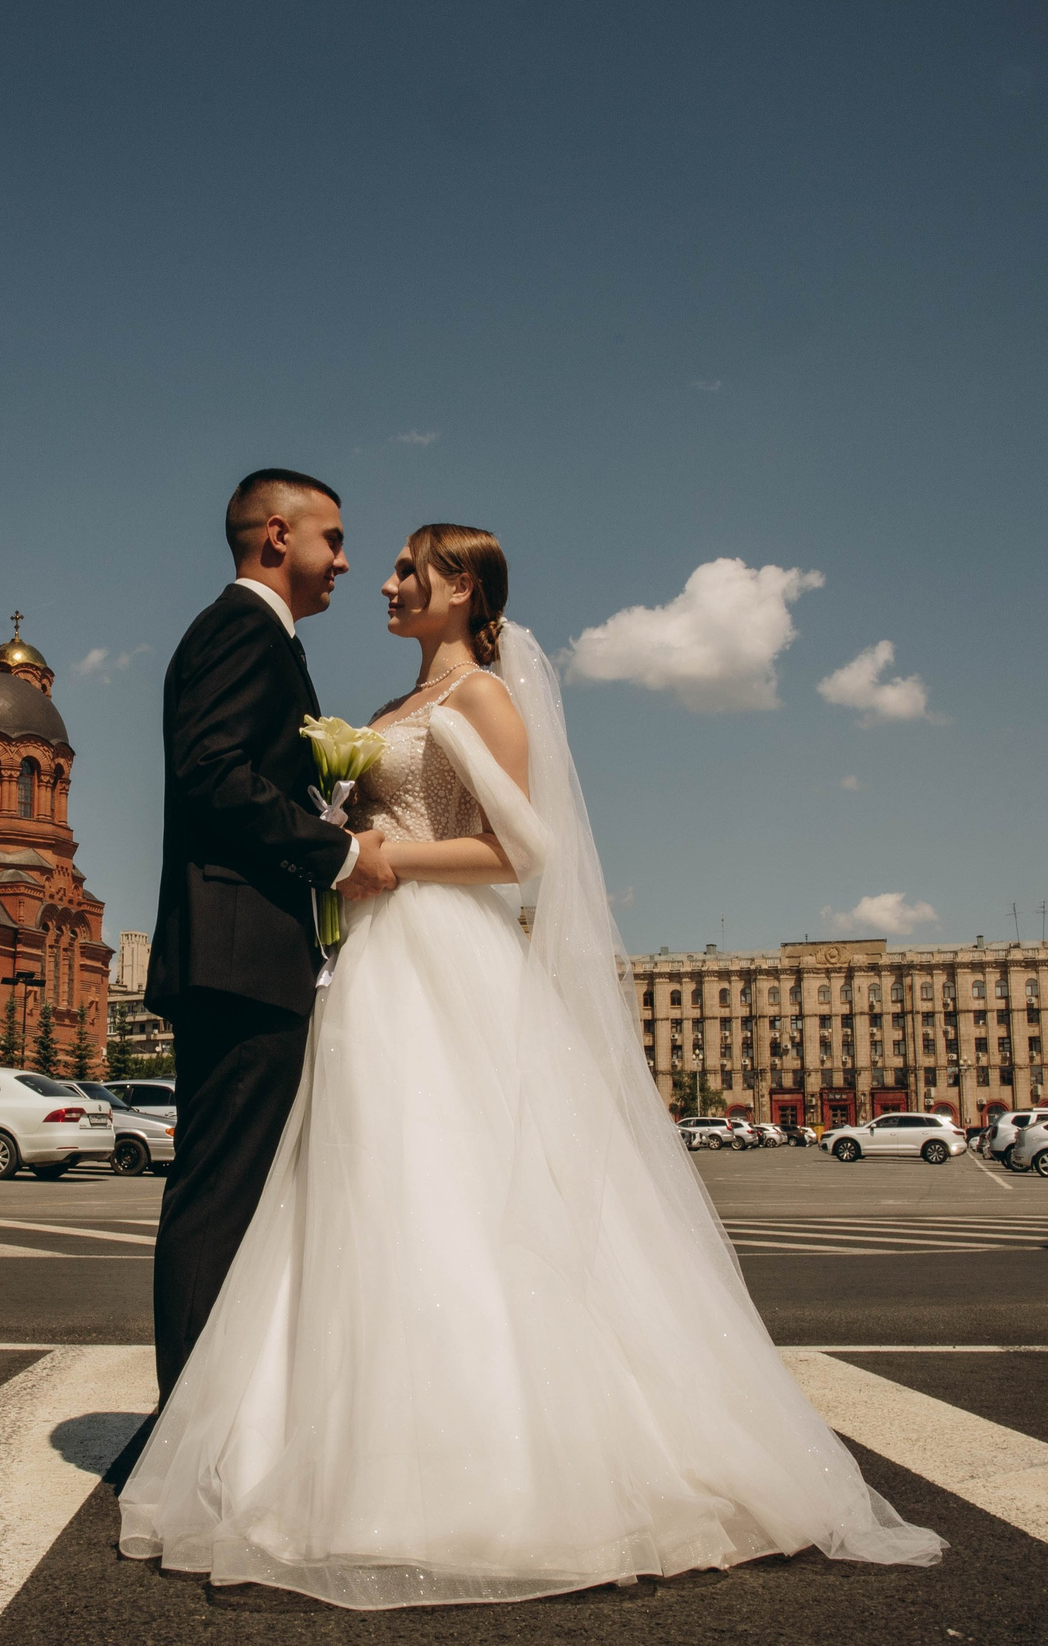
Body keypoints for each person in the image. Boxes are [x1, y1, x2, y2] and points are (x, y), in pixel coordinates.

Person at [119, 522, 945, 1608]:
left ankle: (497, 1461)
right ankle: (337, 1447)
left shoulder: (484, 701)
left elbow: (520, 852)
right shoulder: (383, 715)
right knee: (365, 1195)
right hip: (373, 966)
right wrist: (338, 834)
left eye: (411, 570)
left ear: (461, 590)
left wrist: (384, 857)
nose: (388, 581)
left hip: (442, 957)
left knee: (456, 1190)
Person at [140, 469, 399, 1406]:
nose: (344, 561)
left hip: (248, 953)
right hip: (239, 957)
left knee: (234, 1193)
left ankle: (210, 1419)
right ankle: (187, 1432)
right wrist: (334, 851)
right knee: (219, 1194)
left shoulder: (259, 638)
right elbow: (212, 773)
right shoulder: (242, 630)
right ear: (278, 537)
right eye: (334, 538)